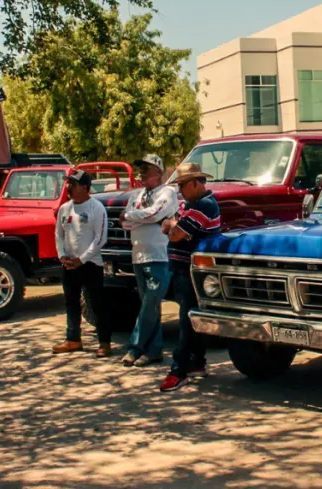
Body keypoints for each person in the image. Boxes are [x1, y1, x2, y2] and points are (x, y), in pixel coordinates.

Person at [159, 162, 221, 392]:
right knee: (189, 317)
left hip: (190, 271)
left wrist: (172, 226)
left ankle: (178, 370)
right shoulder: (191, 205)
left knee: (185, 321)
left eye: (183, 185)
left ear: (195, 183)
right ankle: (197, 362)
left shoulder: (203, 206)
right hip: (180, 269)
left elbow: (174, 233)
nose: (180, 190)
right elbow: (170, 225)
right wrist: (172, 225)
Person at [120, 154, 178, 368]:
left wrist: (134, 217)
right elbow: (124, 221)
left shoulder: (168, 193)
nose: (142, 173)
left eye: (147, 169)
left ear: (159, 172)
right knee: (149, 306)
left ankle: (135, 347)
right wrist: (136, 217)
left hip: (159, 255)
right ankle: (154, 351)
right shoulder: (136, 195)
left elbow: (154, 214)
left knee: (150, 303)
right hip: (138, 255)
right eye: (141, 168)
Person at [51, 170, 111, 358]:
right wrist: (62, 256)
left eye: (74, 184)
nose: (69, 187)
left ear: (85, 187)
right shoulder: (64, 209)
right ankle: (73, 339)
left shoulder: (96, 208)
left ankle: (104, 343)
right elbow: (59, 234)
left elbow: (100, 239)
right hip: (69, 264)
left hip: (90, 264)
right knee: (71, 303)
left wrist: (81, 259)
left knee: (97, 304)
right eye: (68, 183)